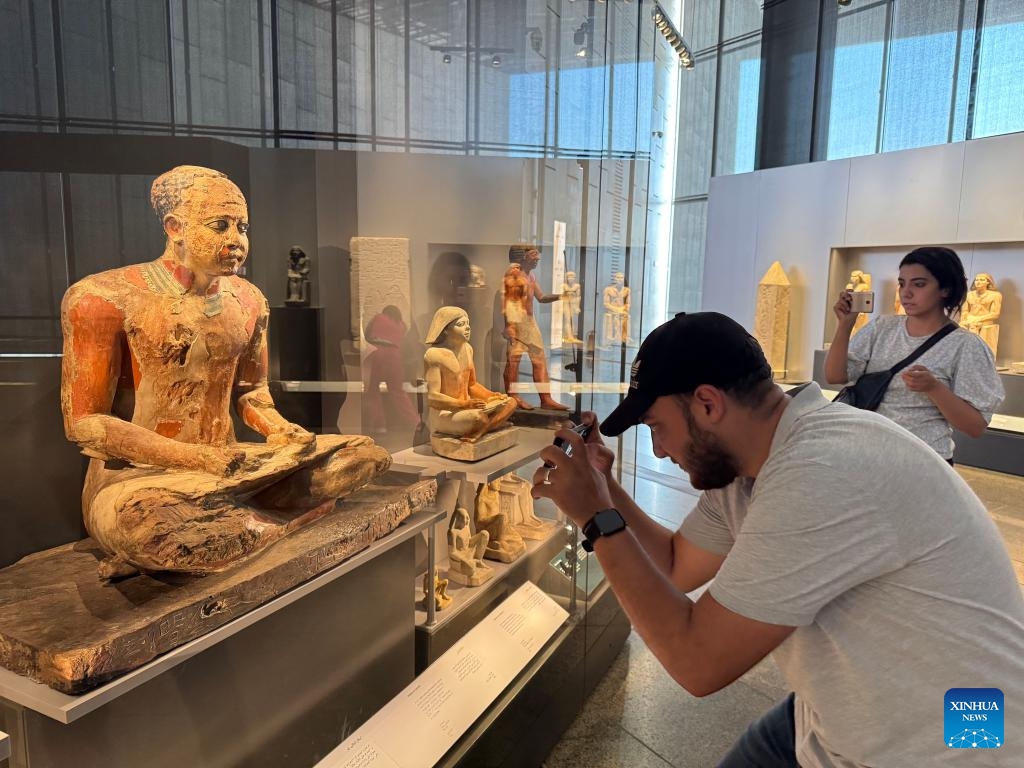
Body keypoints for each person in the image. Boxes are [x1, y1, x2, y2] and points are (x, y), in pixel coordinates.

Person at [531, 311, 1024, 767]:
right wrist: (604, 487)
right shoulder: (754, 463)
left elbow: (697, 661)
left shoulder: (821, 470)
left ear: (707, 403)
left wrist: (598, 519)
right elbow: (676, 565)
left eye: (658, 428)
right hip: (838, 716)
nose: (658, 452)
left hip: (953, 742)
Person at [60, 165, 390, 579]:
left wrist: (279, 430)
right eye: (220, 226)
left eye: (242, 227)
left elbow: (251, 393)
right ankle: (286, 519)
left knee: (362, 455)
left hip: (234, 468)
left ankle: (239, 531)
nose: (236, 240)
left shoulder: (248, 300)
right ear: (174, 227)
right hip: (144, 482)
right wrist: (197, 458)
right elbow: (85, 422)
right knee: (149, 529)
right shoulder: (102, 298)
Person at [824, 247, 1004, 462]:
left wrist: (934, 388)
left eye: (919, 284)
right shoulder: (882, 327)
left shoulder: (966, 345)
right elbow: (835, 376)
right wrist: (844, 326)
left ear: (945, 289)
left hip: (922, 462)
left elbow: (975, 426)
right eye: (902, 283)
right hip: (867, 455)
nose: (906, 293)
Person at [423, 306, 516, 441]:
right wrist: (464, 405)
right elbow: (432, 397)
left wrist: (490, 396)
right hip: (446, 414)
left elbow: (471, 385)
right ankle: (489, 426)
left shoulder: (467, 349)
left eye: (468, 323)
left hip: (468, 408)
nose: (467, 328)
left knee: (511, 402)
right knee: (479, 418)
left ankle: (481, 430)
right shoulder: (434, 355)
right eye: (461, 324)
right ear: (445, 330)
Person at [502, 244, 569, 410]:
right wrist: (509, 327)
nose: (538, 258)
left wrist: (561, 296)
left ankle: (546, 399)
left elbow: (542, 297)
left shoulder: (530, 276)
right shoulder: (514, 274)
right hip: (516, 323)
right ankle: (513, 397)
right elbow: (509, 303)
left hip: (530, 324)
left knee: (539, 360)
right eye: (534, 254)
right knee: (513, 361)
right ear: (523, 256)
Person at [363, 305, 419, 433]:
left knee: (372, 390)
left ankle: (379, 426)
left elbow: (366, 336)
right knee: (397, 392)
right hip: (395, 356)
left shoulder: (378, 317)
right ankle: (416, 423)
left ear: (385, 312)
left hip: (376, 352)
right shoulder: (402, 325)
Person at [960, 272, 1002, 356]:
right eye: (976, 280)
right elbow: (964, 311)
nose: (978, 282)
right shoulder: (969, 295)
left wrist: (978, 319)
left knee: (974, 328)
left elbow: (995, 314)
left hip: (985, 320)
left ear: (988, 282)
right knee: (959, 329)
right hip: (970, 319)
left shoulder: (995, 295)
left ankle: (975, 356)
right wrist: (964, 320)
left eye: (982, 280)